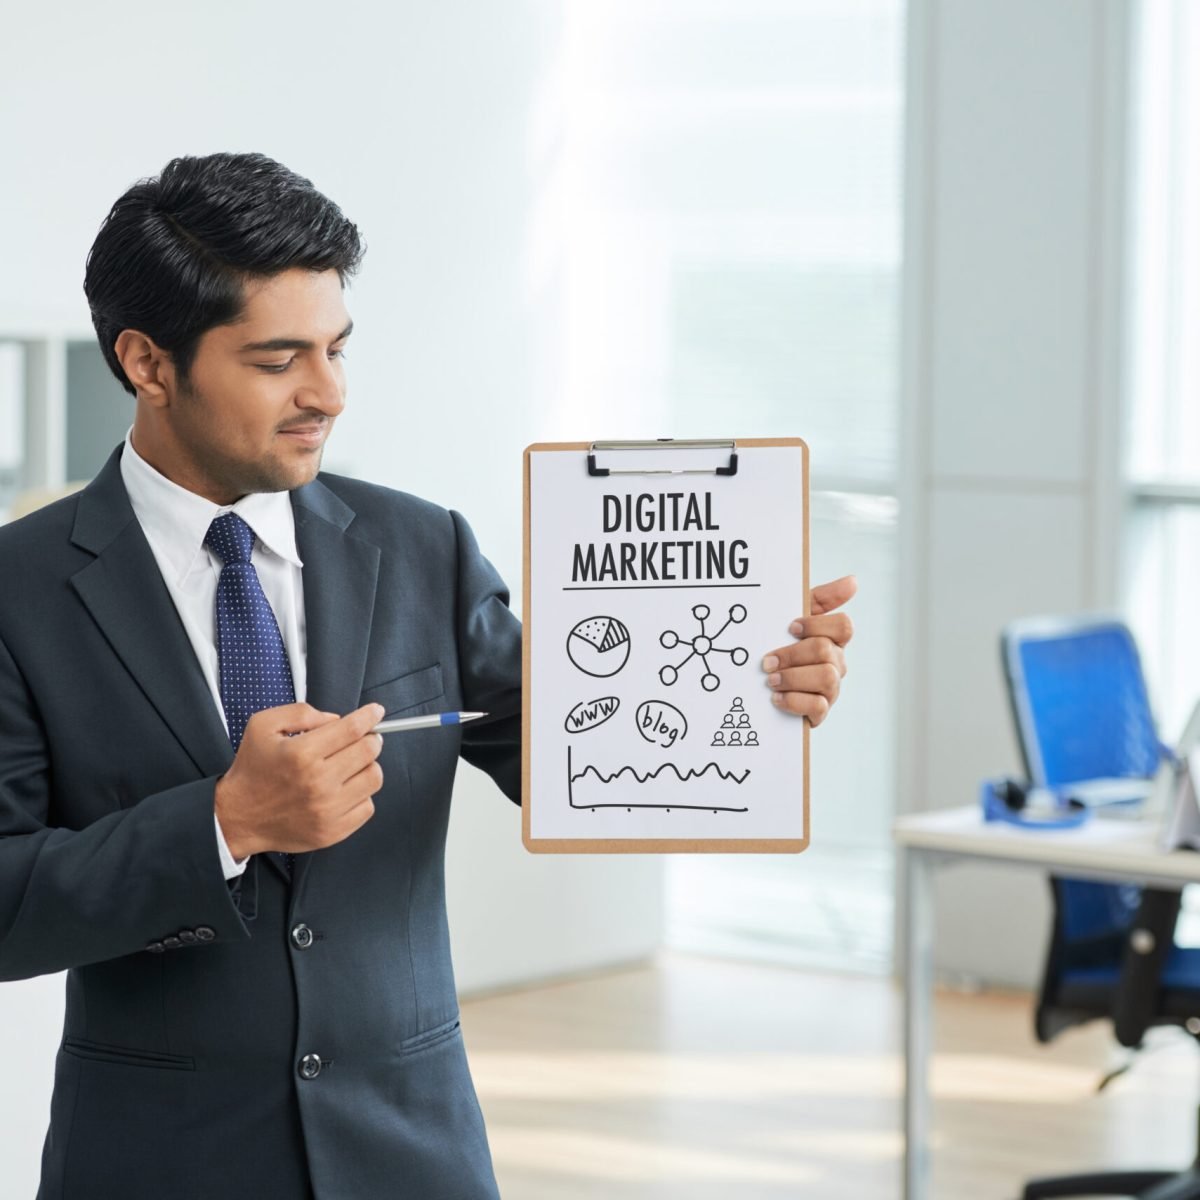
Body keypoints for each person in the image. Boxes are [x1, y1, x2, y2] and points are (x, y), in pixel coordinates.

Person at [0, 152, 856, 1199]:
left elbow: (576, 760)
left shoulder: (422, 547)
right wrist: (224, 823)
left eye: (337, 349)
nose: (329, 394)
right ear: (147, 362)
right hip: (154, 1161)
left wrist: (747, 692)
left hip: (412, 1151)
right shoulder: (21, 591)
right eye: (278, 361)